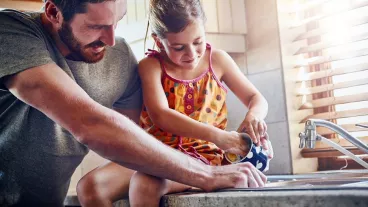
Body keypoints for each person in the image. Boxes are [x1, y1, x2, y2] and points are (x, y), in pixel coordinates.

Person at [0, 0, 269, 206]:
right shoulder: (11, 31)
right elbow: (92, 124)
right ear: (53, 12)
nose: (111, 39)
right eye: (96, 26)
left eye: (117, 21)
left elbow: (129, 138)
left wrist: (250, 137)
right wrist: (206, 174)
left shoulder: (118, 57)